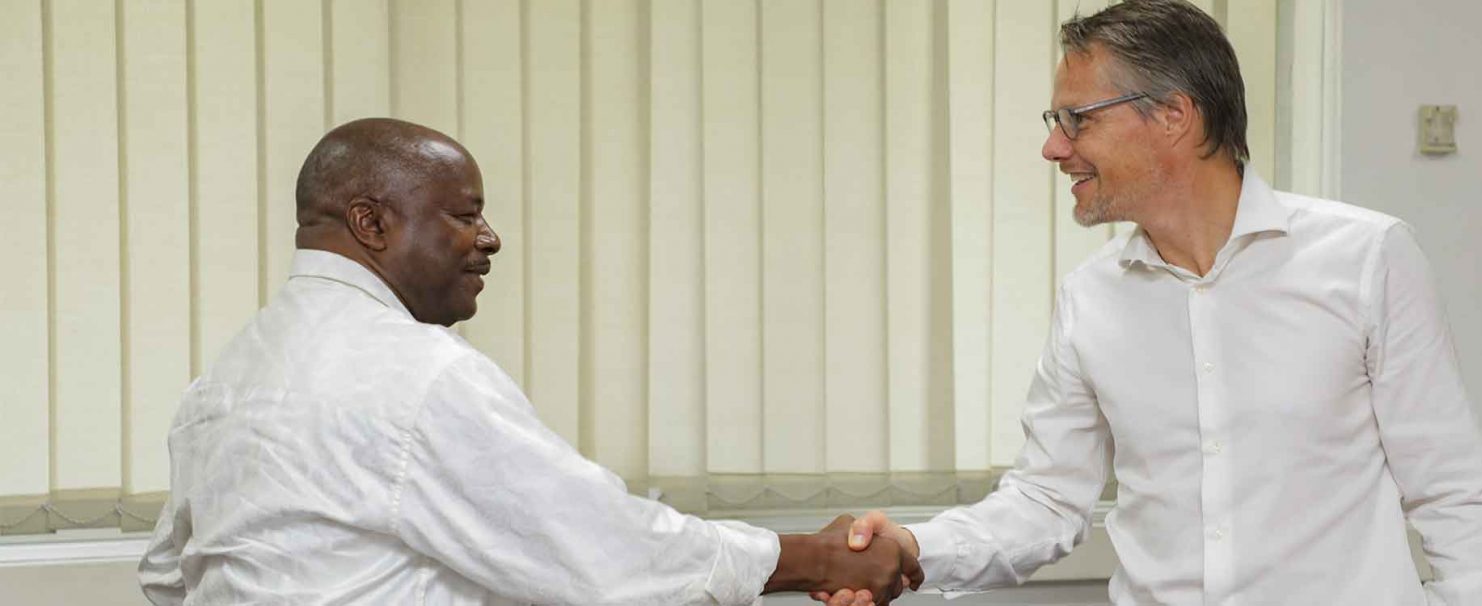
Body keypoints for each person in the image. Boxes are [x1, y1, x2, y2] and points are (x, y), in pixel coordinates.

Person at [820, 1, 1482, 604]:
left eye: (1076, 119)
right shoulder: (1090, 299)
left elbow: (1451, 492)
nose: (1053, 147)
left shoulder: (1368, 257)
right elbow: (1046, 500)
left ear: (1174, 115)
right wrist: (912, 545)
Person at [138, 117, 920, 605]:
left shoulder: (223, 384)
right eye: (464, 215)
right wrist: (817, 558)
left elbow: (171, 576)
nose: (490, 239)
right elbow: (606, 557)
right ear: (371, 224)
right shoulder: (414, 373)